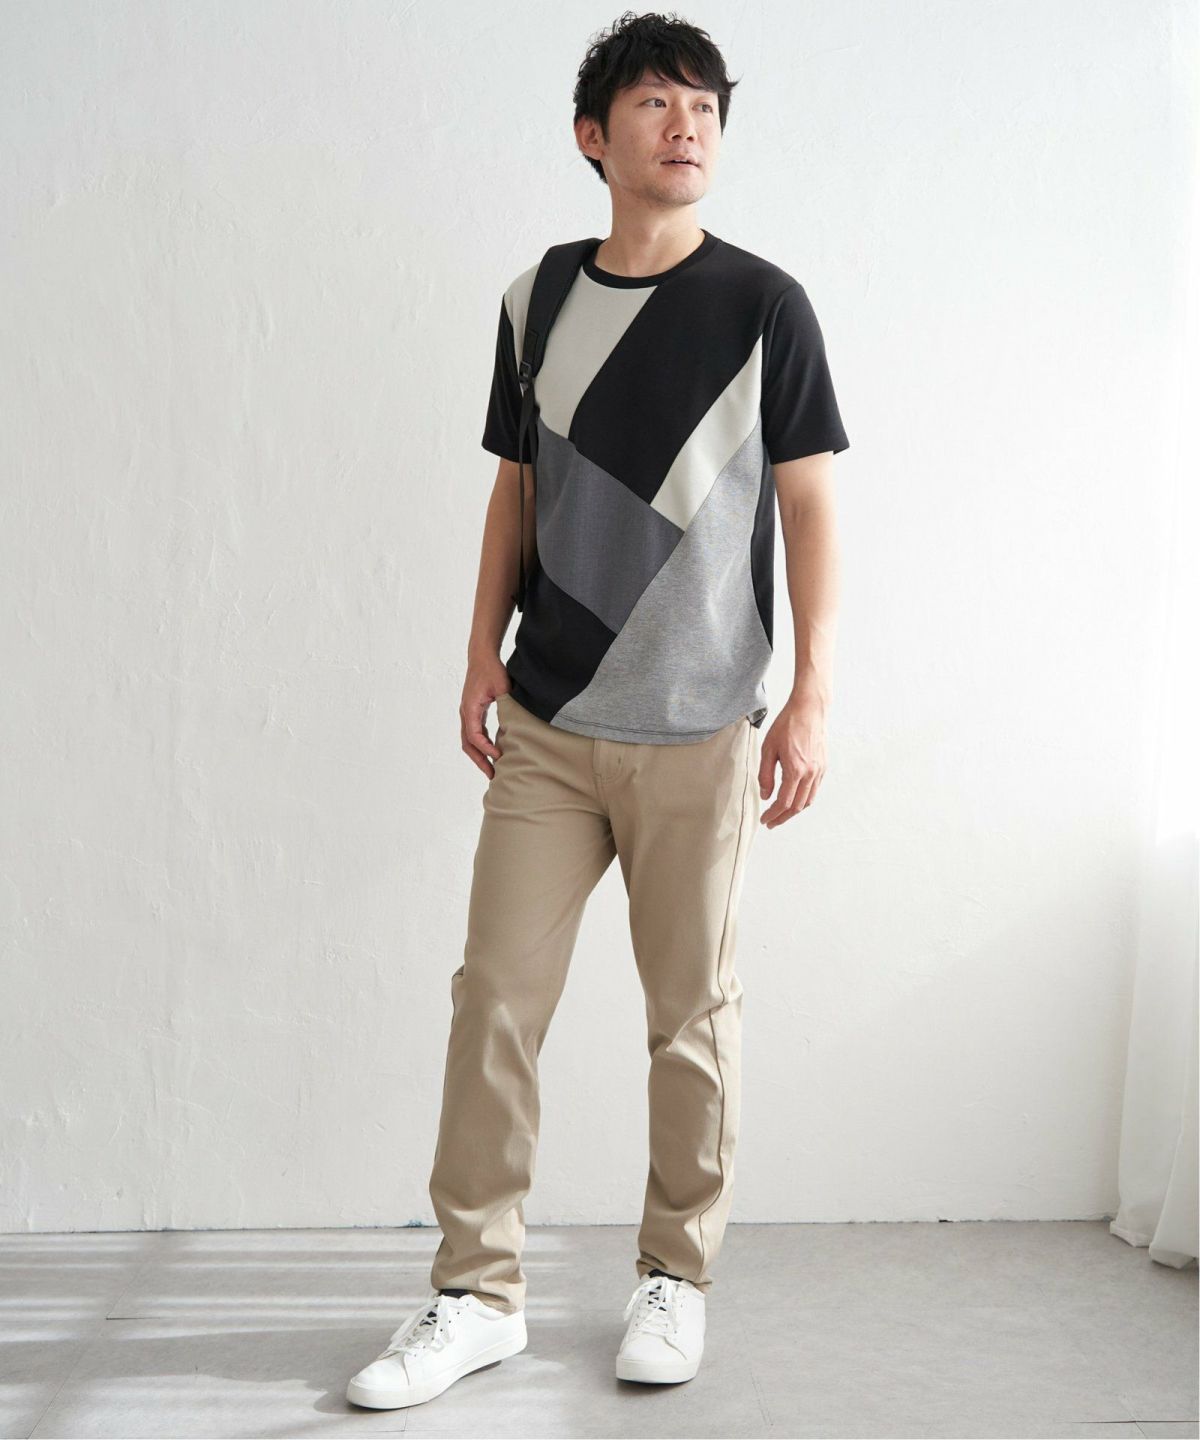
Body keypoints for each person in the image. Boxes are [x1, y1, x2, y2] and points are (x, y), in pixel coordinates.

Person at [347, 9, 849, 1412]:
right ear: (594, 136)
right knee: (493, 1003)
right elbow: (514, 487)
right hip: (552, 725)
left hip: (699, 727)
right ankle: (475, 1295)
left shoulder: (765, 307)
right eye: (654, 103)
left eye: (705, 106)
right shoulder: (538, 300)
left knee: (690, 1017)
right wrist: (477, 651)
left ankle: (675, 1277)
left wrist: (812, 694)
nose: (686, 126)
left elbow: (812, 505)